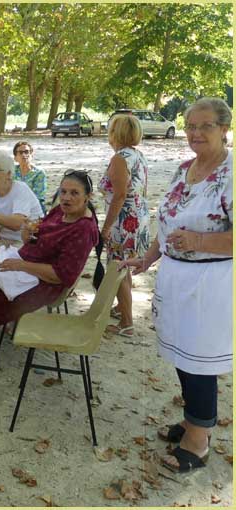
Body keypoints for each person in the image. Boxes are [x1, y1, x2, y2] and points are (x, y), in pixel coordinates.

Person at [122, 97, 232, 474]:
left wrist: (199, 241)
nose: (196, 133)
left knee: (199, 361)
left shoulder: (231, 173)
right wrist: (147, 258)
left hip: (210, 283)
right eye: (190, 126)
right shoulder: (184, 169)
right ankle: (193, 421)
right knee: (183, 358)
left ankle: (199, 442)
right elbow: (168, 224)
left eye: (206, 126)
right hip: (175, 278)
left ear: (224, 129)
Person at [0, 170, 100, 333]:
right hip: (27, 262)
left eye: (74, 193)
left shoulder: (83, 229)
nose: (66, 198)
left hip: (44, 282)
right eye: (63, 192)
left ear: (88, 196)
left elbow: (61, 276)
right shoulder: (60, 210)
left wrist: (21, 265)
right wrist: (27, 234)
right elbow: (37, 239)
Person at [98, 114, 150, 338]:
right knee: (124, 267)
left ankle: (127, 323)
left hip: (123, 221)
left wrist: (106, 228)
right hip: (137, 217)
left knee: (117, 268)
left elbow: (119, 195)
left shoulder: (120, 158)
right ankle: (122, 308)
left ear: (115, 133)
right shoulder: (137, 155)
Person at [13, 141, 47, 213]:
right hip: (14, 205)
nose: (24, 155)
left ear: (31, 155)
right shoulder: (11, 171)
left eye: (26, 152)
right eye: (20, 152)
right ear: (15, 158)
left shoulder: (39, 173)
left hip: (34, 206)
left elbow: (38, 197)